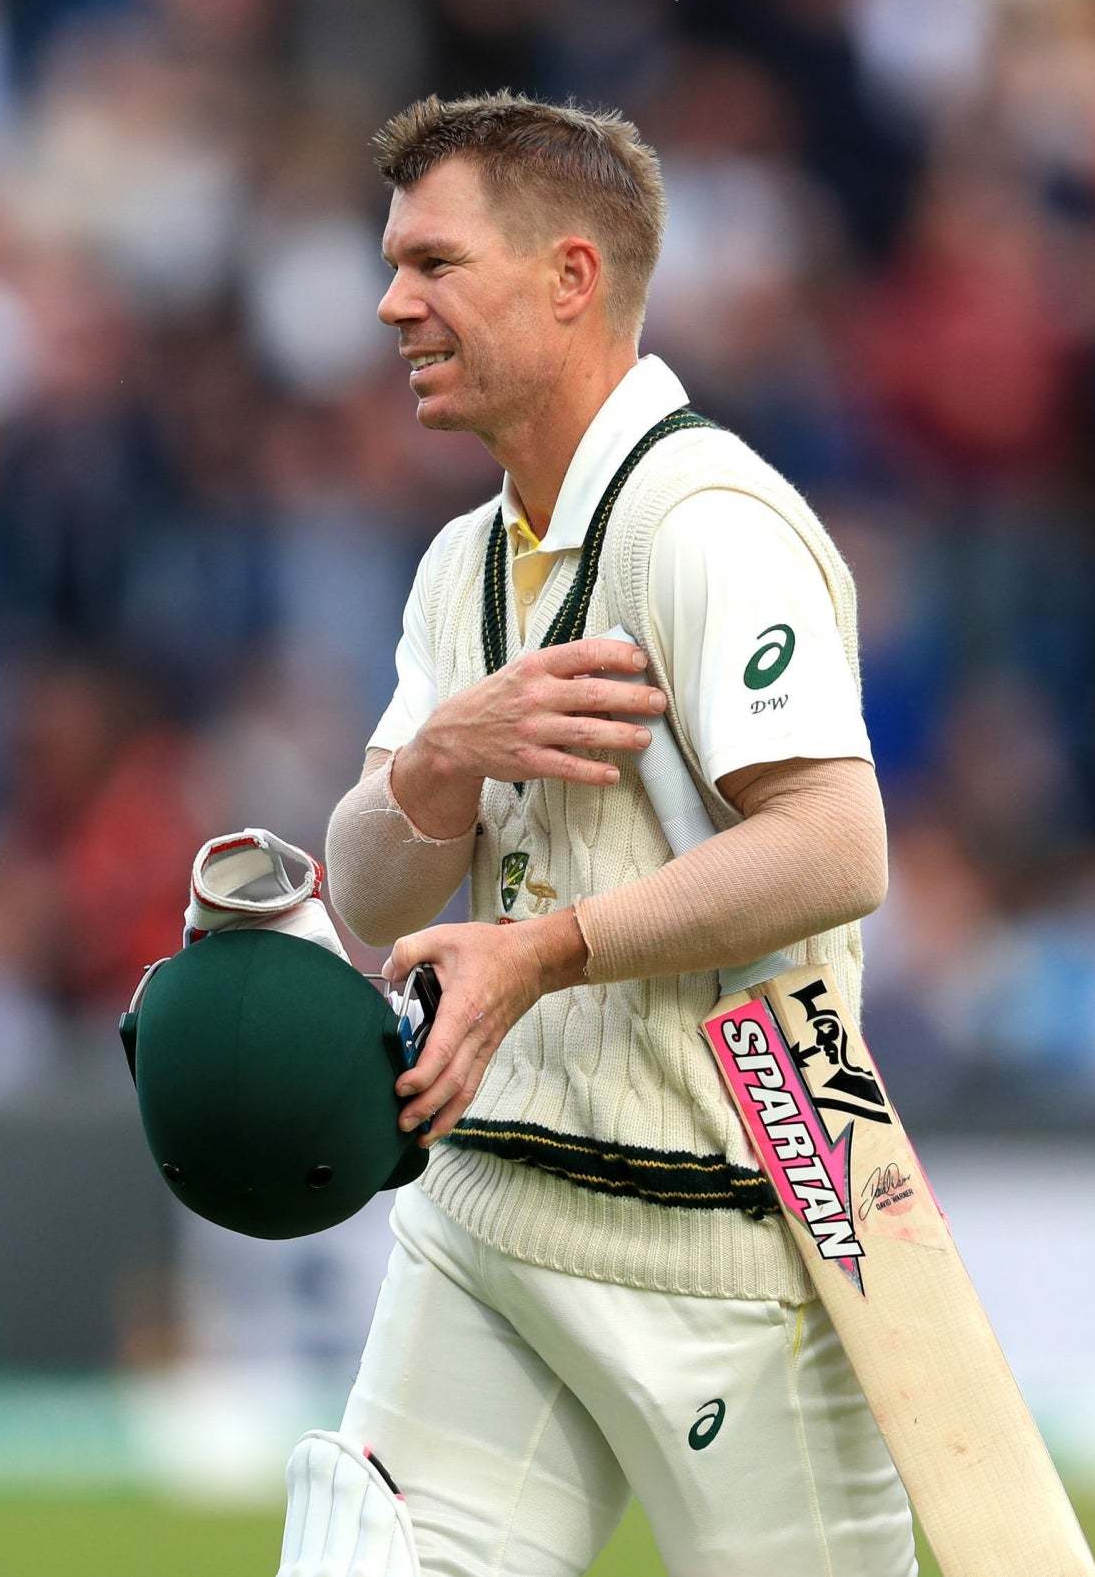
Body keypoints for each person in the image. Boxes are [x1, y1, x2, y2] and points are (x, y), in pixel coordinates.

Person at [286, 92, 911, 1577]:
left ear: (570, 276)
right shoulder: (463, 561)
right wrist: (445, 753)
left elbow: (836, 847)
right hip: (487, 1214)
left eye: (434, 264)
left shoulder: (707, 526)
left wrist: (543, 952)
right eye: (392, 265)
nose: (392, 304)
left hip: (721, 1246)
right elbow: (372, 887)